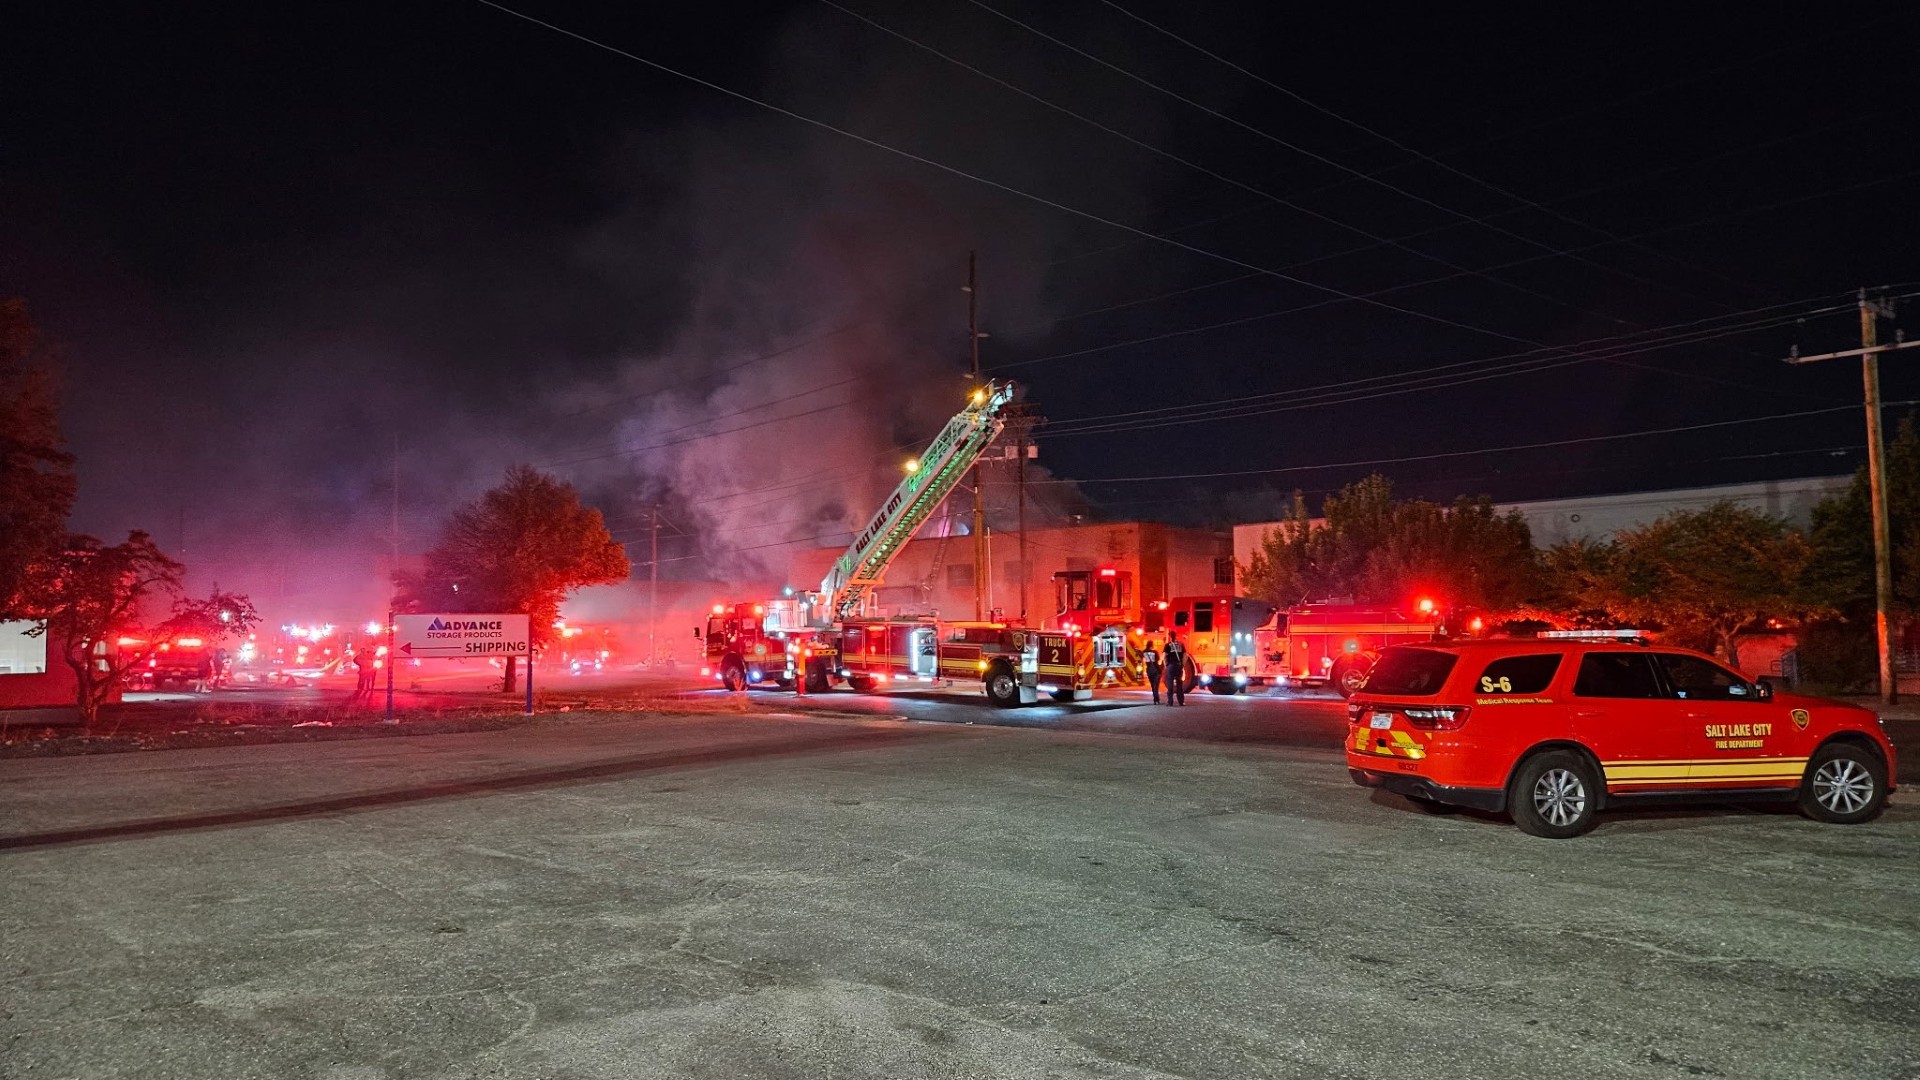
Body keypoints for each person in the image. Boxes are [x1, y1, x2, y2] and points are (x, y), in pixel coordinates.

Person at [1164, 633, 1189, 706]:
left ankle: (1170, 701)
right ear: (1176, 637)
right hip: (1178, 666)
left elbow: (1165, 656)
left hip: (1171, 666)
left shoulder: (1168, 645)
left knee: (1170, 684)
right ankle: (1181, 701)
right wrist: (1182, 665)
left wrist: (1166, 665)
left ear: (1169, 637)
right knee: (1179, 684)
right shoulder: (1181, 644)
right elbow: (1185, 656)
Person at [1142, 639, 1163, 704]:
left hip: (1149, 670)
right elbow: (1158, 659)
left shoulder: (1144, 652)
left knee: (1152, 685)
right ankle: (1157, 699)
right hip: (1156, 670)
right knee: (1156, 686)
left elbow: (1141, 657)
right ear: (1152, 645)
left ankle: (1155, 699)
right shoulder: (1155, 652)